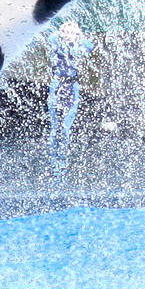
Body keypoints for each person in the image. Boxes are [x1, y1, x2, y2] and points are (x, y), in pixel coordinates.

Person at [47, 21, 94, 176]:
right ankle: (54, 163)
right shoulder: (56, 43)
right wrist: (63, 34)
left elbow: (89, 45)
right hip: (57, 85)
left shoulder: (80, 46)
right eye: (66, 32)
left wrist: (76, 37)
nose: (69, 35)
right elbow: (51, 37)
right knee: (55, 126)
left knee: (66, 126)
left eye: (72, 32)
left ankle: (63, 162)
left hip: (72, 87)